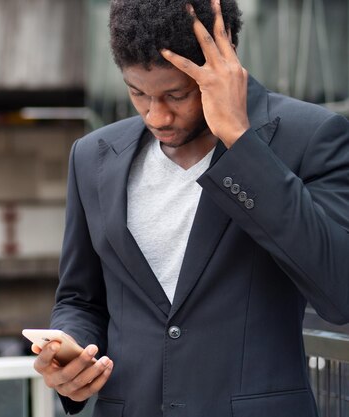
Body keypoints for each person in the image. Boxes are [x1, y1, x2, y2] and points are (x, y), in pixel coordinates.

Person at [31, 0, 349, 416]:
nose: (156, 115)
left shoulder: (311, 137)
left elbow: (338, 291)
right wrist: (70, 354)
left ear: (225, 57)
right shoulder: (93, 156)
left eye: (177, 94)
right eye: (137, 93)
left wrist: (241, 141)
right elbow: (81, 298)